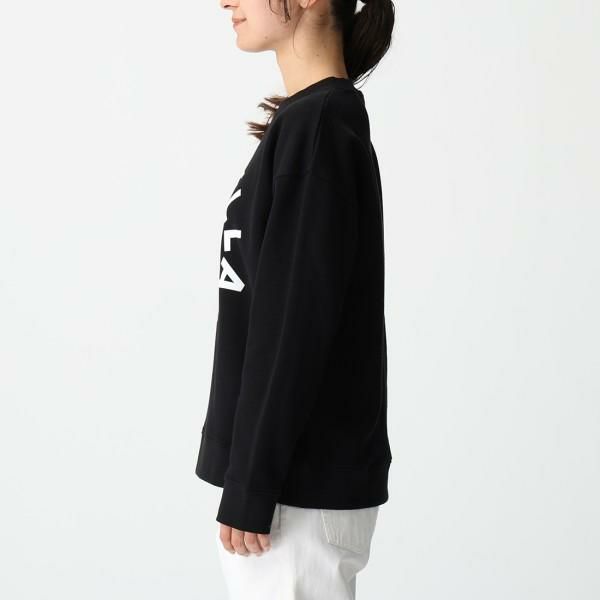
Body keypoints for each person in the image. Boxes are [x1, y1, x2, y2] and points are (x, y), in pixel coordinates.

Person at [195, 0, 395, 597]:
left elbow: (294, 321)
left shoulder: (319, 128)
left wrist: (254, 481)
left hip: (293, 489)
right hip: (286, 484)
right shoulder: (307, 124)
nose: (226, 1)